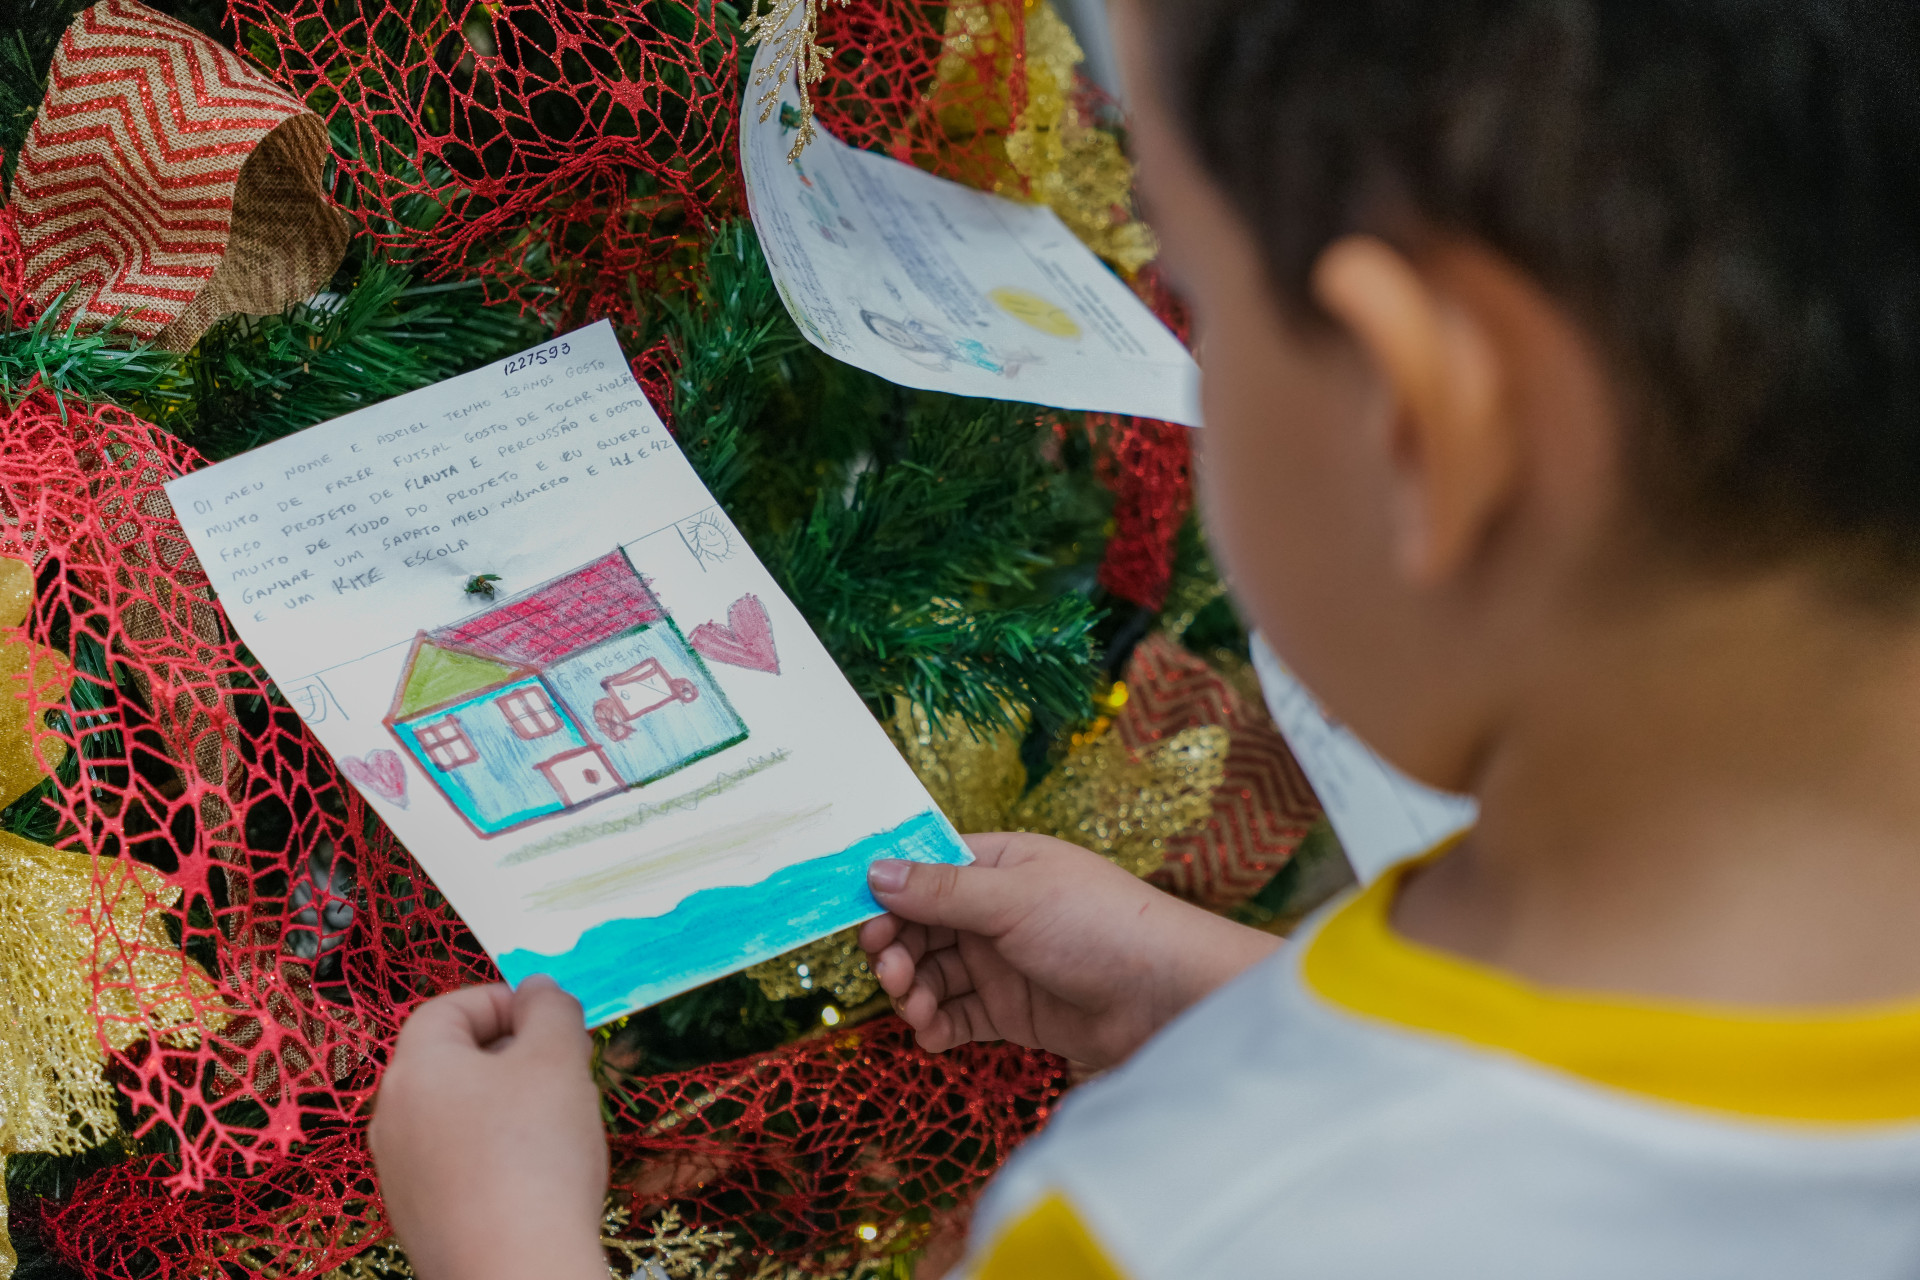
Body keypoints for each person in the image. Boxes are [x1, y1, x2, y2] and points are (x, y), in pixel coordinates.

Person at [369, 0, 1920, 1275]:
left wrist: (504, 1244)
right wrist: (1212, 993)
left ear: (1427, 432)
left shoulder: (1176, 1222)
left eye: (1198, 292)